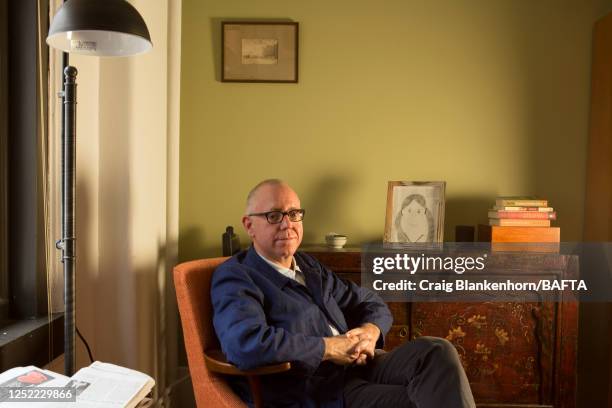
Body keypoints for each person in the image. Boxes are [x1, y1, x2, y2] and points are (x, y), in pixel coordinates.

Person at [211, 179, 476, 407]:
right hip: (317, 390)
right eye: (274, 215)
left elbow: (369, 301)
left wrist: (371, 331)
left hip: (358, 364)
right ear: (249, 226)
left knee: (436, 351)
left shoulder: (308, 266)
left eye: (294, 214)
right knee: (430, 397)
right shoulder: (237, 276)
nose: (287, 224)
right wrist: (328, 347)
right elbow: (244, 345)